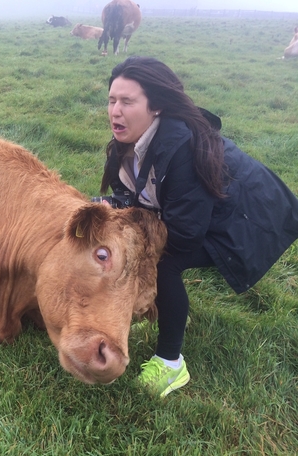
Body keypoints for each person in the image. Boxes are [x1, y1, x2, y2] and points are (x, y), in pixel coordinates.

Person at [98, 56, 298, 397]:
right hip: (209, 212)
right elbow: (127, 195)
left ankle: (171, 364)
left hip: (248, 219)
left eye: (127, 102)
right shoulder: (128, 143)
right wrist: (107, 211)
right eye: (112, 100)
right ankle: (175, 311)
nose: (115, 111)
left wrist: (139, 243)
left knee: (164, 262)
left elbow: (186, 233)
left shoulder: (182, 147)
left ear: (157, 106)